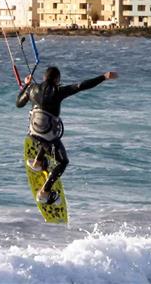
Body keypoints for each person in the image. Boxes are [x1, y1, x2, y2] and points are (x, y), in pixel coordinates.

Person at [16, 66, 118, 204]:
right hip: (47, 136)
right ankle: (44, 193)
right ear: (57, 80)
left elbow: (19, 104)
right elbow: (80, 86)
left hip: (32, 133)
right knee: (63, 161)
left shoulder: (32, 88)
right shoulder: (58, 91)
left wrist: (26, 85)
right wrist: (104, 76)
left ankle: (38, 162)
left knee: (48, 138)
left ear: (44, 78)